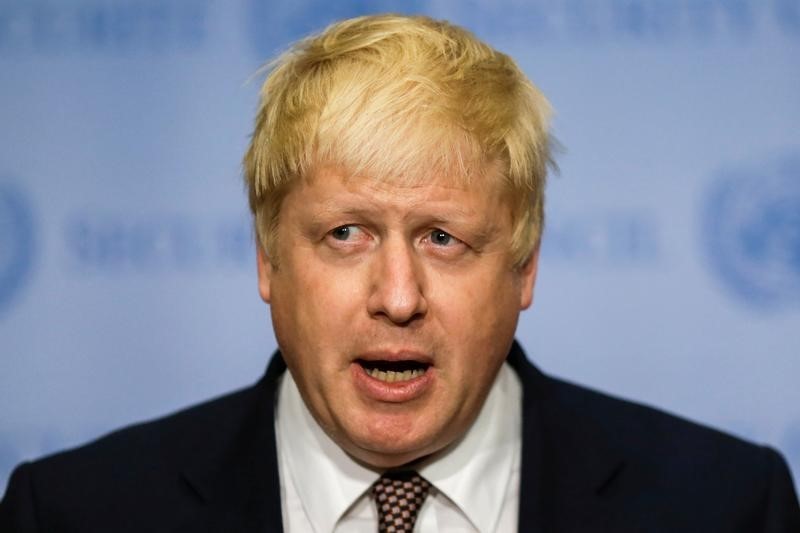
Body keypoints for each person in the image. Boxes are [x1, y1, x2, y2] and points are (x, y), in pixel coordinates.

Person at [1, 13, 798, 533]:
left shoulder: (725, 506)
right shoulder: (74, 514)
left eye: (444, 238)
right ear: (268, 258)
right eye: (345, 233)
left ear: (524, 264)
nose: (398, 296)